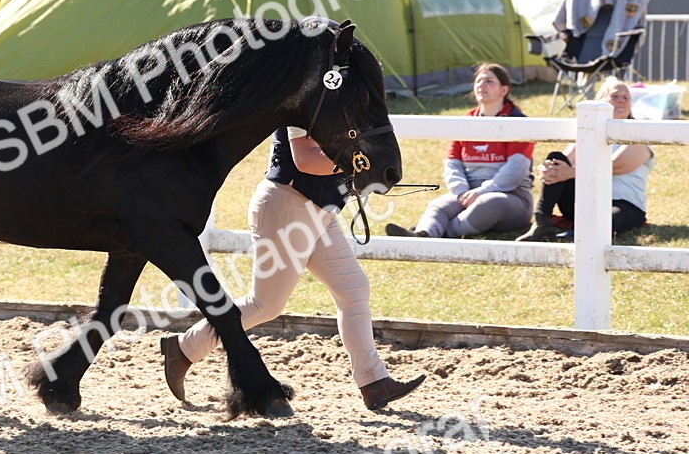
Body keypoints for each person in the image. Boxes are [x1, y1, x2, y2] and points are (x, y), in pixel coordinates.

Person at [160, 127, 426, 412]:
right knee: (264, 305)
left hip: (320, 210)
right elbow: (306, 159)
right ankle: (184, 348)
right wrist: (359, 162)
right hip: (287, 207)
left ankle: (374, 382)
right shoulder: (305, 95)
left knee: (354, 290)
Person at [385, 63, 535, 238]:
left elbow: (515, 170)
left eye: (489, 81)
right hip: (468, 192)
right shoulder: (465, 122)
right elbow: (451, 164)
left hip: (511, 197)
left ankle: (441, 235)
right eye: (479, 80)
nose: (482, 85)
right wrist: (462, 191)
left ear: (503, 90)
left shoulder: (518, 122)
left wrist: (480, 192)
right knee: (438, 205)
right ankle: (423, 235)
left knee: (488, 203)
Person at [517, 76, 653, 242]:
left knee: (601, 223)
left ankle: (576, 235)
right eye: (615, 96)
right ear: (601, 102)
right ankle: (541, 223)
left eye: (626, 98)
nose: (621, 101)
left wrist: (570, 173)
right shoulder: (588, 131)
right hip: (586, 199)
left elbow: (616, 166)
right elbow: (564, 162)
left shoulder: (638, 133)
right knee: (555, 159)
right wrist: (547, 169)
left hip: (624, 206)